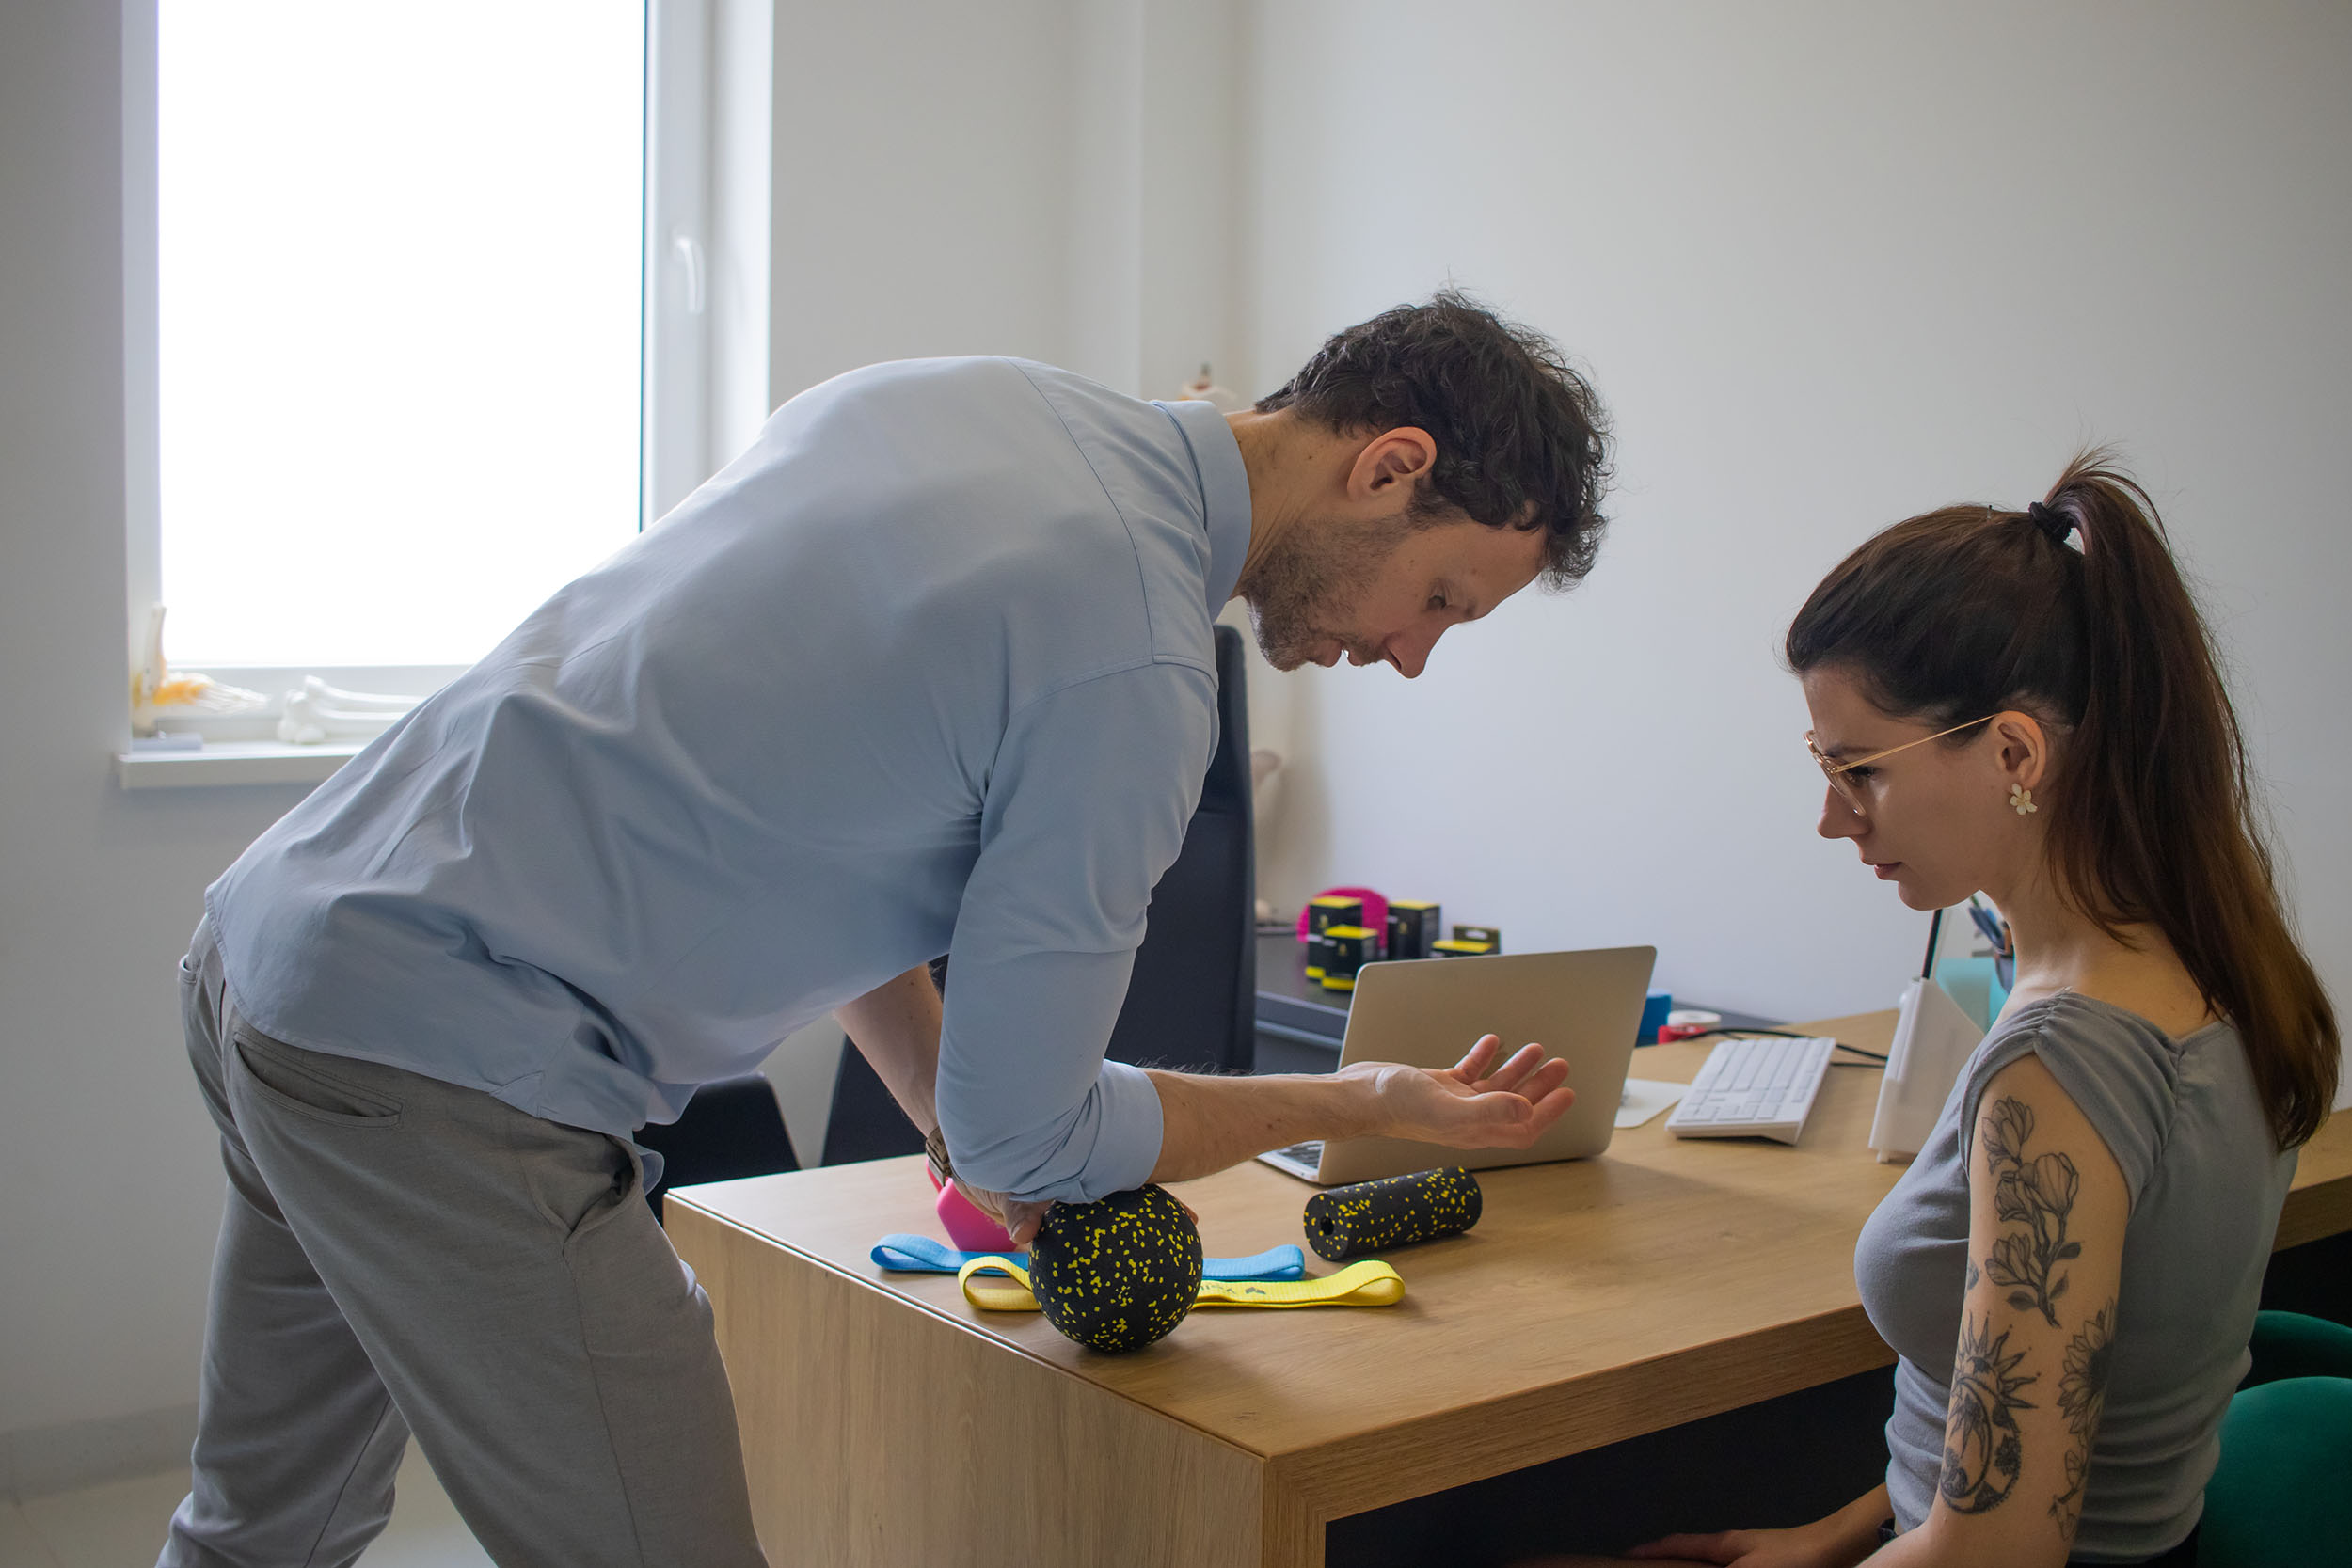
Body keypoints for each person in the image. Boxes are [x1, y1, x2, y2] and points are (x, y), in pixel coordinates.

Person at [159, 292, 1610, 1567]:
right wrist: (1370, 1097)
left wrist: (936, 1097)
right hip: (446, 1061)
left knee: (258, 1528)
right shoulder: (1140, 665)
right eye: (1439, 600)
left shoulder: (970, 399)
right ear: (1389, 466)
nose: (1411, 654)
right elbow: (1026, 1143)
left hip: (277, 952)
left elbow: (817, 807)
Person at [1539, 453, 2337, 1568]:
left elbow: (1995, 1547)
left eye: (1857, 767)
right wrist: (1829, 1535)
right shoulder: (2218, 960)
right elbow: (2042, 1430)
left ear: (2014, 751)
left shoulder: (2058, 1061)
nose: (1832, 817)